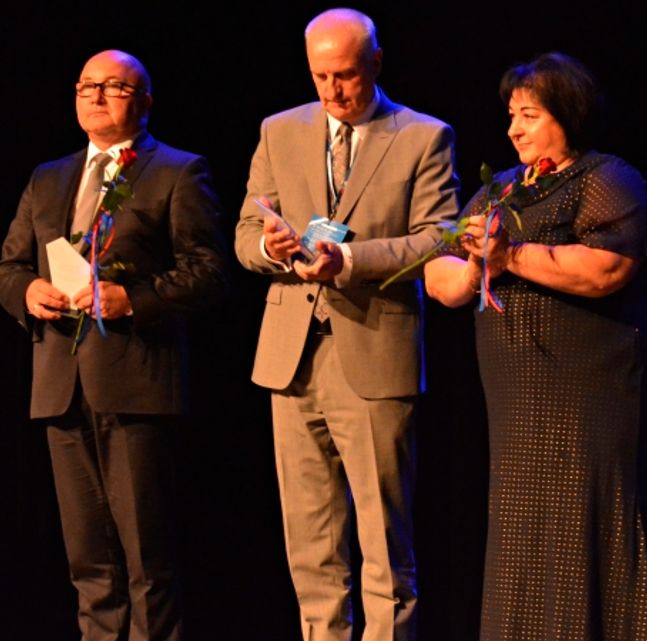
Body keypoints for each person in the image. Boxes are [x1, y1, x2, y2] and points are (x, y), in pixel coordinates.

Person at [233, 8, 460, 641]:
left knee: (384, 543)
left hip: (372, 355)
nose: (334, 91)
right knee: (311, 544)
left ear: (377, 64)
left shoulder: (423, 136)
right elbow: (246, 234)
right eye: (321, 77)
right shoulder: (279, 131)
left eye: (347, 76)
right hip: (292, 358)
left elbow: (440, 238)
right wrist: (270, 250)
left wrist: (351, 259)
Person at [424, 51, 647, 641]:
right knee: (524, 528)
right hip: (519, 400)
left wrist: (511, 258)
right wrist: (478, 259)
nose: (513, 129)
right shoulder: (500, 191)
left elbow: (606, 270)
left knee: (583, 521)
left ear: (567, 114)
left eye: (528, 115)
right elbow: (444, 280)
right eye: (511, 115)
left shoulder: (605, 179)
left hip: (588, 393)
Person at [0, 49, 227, 641]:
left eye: (114, 87)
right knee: (88, 561)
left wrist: (134, 299)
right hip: (60, 388)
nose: (96, 96)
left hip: (136, 384)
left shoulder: (177, 170)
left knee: (148, 561)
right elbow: (7, 267)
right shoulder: (48, 177)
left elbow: (208, 272)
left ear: (144, 102)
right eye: (87, 86)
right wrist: (30, 292)